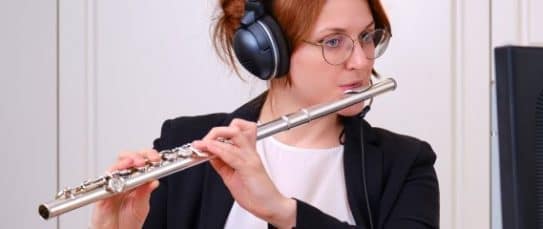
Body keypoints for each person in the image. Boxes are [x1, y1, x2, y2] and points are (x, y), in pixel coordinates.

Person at [89, 0, 440, 228]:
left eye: (366, 36)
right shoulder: (186, 143)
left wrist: (283, 211)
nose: (362, 60)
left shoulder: (406, 164)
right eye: (334, 41)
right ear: (272, 53)